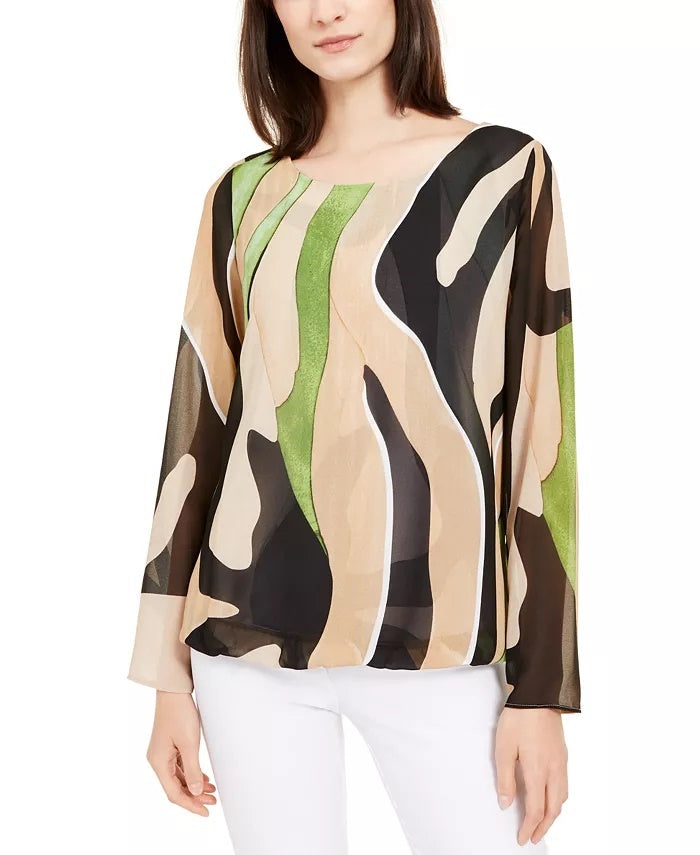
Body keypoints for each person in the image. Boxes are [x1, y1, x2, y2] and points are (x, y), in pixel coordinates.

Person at [127, 1, 581, 852]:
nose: (325, 10)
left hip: (441, 641)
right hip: (245, 642)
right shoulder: (242, 196)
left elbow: (540, 435)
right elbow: (198, 432)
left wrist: (541, 689)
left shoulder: (503, 170)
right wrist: (168, 679)